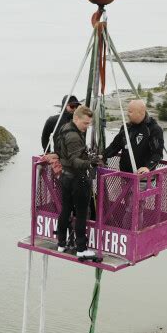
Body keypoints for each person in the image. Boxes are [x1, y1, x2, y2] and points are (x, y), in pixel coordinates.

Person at [57, 105, 99, 258]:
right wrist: (91, 163)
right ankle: (81, 249)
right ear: (76, 119)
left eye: (89, 124)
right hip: (77, 179)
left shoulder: (65, 128)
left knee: (65, 210)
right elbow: (75, 161)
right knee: (81, 214)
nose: (86, 127)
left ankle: (61, 243)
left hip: (65, 177)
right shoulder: (74, 136)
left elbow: (62, 152)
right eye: (85, 123)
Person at [104, 99, 164, 173]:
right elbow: (114, 146)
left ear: (141, 113)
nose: (127, 114)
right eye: (128, 111)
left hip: (143, 178)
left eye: (130, 111)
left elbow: (157, 154)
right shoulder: (126, 128)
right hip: (125, 175)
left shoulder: (154, 129)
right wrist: (102, 155)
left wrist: (147, 168)